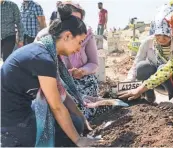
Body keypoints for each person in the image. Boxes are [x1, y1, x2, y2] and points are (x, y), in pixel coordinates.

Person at [1, 4, 101, 147]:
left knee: (76, 121)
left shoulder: (43, 49)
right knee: (73, 127)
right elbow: (57, 106)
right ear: (67, 36)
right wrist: (79, 140)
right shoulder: (44, 59)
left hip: (15, 111)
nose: (79, 48)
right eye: (79, 42)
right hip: (11, 124)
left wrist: (81, 117)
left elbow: (62, 94)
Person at [126, 5, 173, 109]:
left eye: (165, 36)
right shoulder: (147, 42)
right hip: (154, 81)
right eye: (158, 36)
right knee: (142, 67)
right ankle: (149, 98)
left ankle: (172, 101)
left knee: (163, 68)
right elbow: (135, 67)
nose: (161, 39)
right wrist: (127, 86)